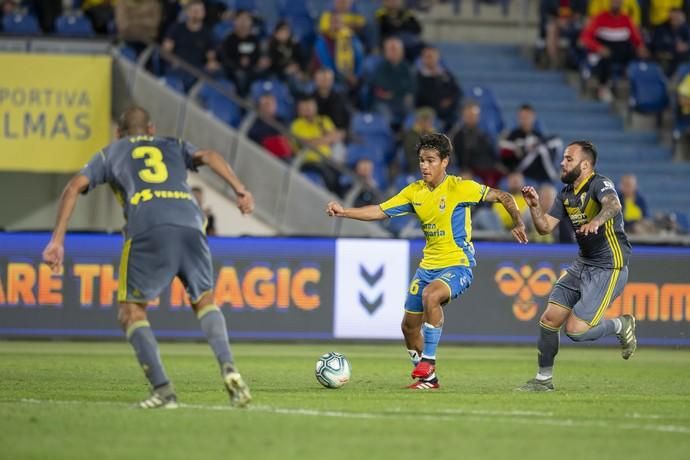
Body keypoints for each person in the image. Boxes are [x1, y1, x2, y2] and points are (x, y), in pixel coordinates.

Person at [41, 107, 254, 408]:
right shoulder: (173, 144)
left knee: (131, 311)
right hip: (192, 222)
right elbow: (208, 154)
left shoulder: (110, 153)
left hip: (149, 224)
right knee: (205, 301)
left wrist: (57, 240)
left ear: (119, 133)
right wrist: (240, 190)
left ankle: (164, 391)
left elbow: (74, 186)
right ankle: (229, 367)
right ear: (151, 129)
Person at [326, 133, 528, 389]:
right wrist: (344, 211)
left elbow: (503, 196)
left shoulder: (460, 187)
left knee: (432, 297)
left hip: (457, 264)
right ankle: (428, 380)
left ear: (445, 161)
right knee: (409, 328)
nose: (424, 166)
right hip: (427, 267)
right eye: (422, 160)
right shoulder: (415, 192)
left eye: (431, 160)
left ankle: (429, 362)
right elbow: (380, 210)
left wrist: (518, 221)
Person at [517, 140, 636, 392]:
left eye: (568, 159)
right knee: (549, 319)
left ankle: (620, 325)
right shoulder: (566, 193)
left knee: (577, 331)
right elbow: (545, 227)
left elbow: (614, 205)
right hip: (583, 264)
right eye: (563, 158)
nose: (562, 162)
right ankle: (543, 381)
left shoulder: (599, 184)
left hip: (609, 267)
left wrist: (597, 220)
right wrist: (535, 207)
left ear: (584, 164)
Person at [162, 0, 220, 91]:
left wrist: (211, 62)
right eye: (194, 11)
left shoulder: (208, 33)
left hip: (196, 70)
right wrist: (171, 60)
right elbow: (166, 49)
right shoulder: (177, 27)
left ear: (204, 13)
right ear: (187, 12)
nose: (196, 14)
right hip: (178, 67)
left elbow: (210, 55)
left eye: (199, 11)